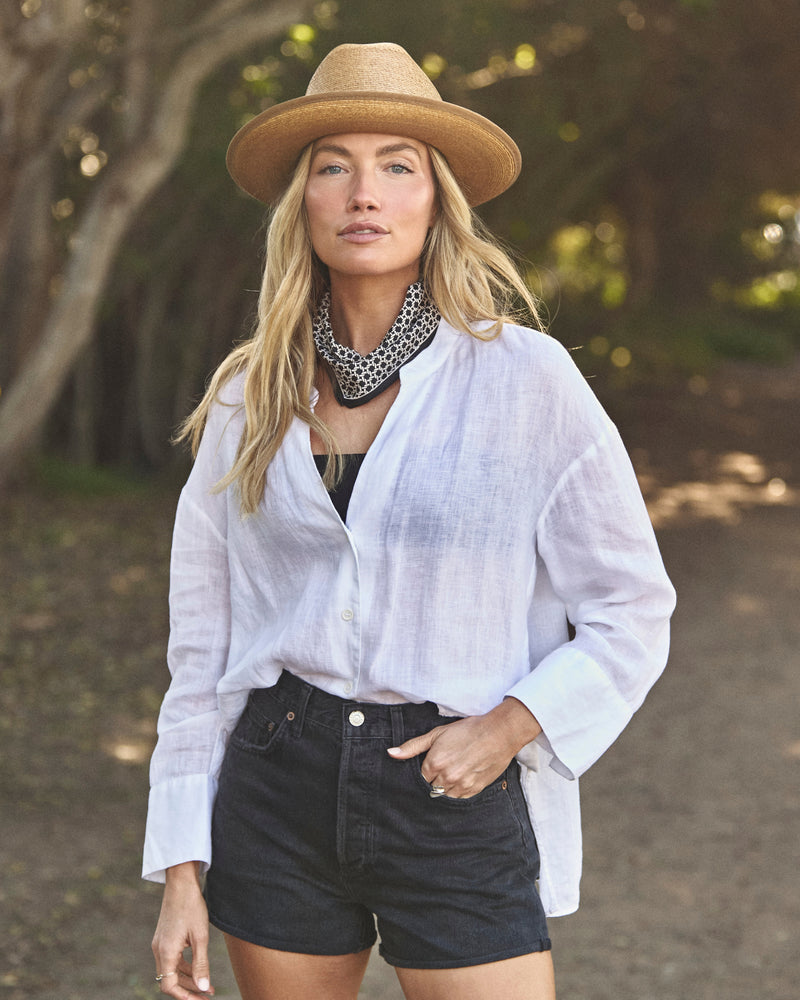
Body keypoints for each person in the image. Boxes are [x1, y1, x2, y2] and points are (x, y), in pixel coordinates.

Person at [144, 42, 675, 1000]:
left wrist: (511, 726)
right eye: (333, 167)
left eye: (398, 166)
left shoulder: (526, 381)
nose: (364, 194)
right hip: (277, 786)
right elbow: (202, 645)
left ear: (437, 202)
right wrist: (183, 866)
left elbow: (632, 607)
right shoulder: (245, 398)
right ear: (302, 203)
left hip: (451, 786)